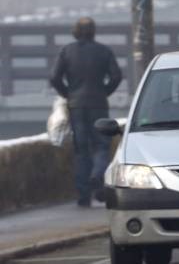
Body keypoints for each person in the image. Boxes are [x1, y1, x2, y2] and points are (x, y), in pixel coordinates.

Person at [48, 18, 123, 207]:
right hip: (98, 103)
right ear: (93, 31)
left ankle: (83, 196)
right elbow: (116, 76)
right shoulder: (104, 51)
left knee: (81, 149)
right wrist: (105, 91)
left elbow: (54, 77)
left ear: (76, 31)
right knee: (101, 145)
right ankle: (98, 175)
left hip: (76, 105)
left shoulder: (67, 51)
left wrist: (68, 93)